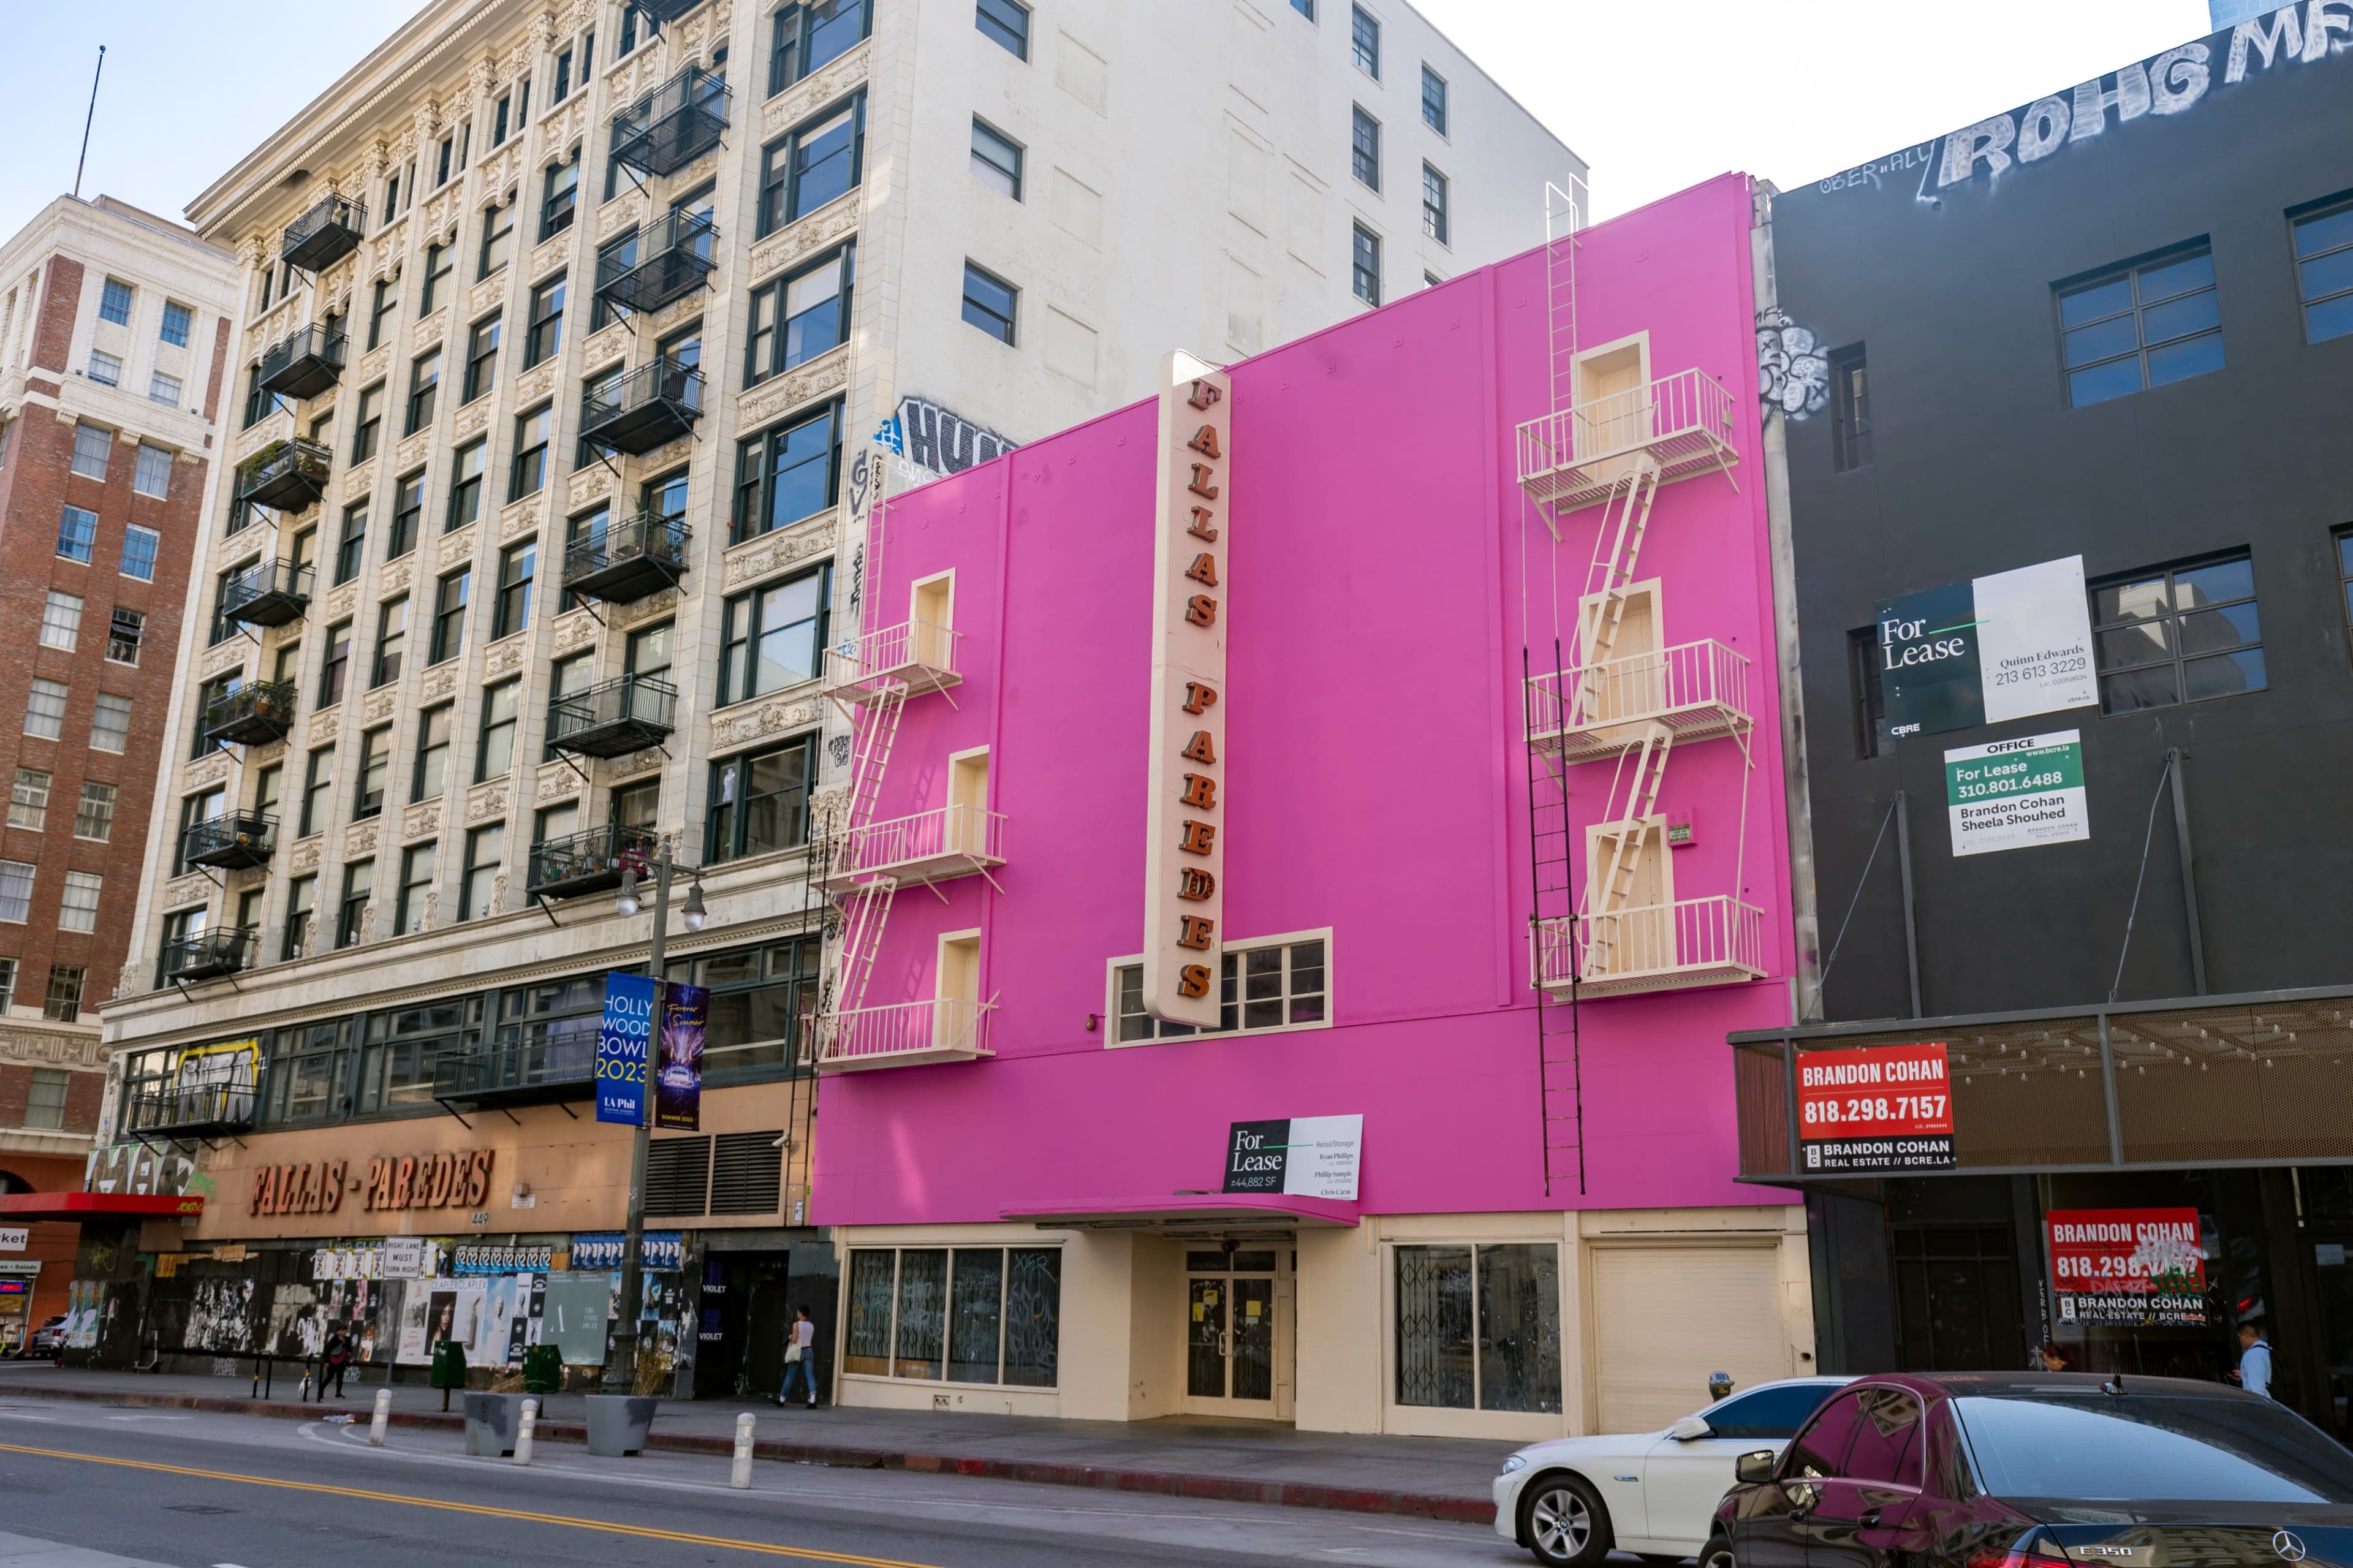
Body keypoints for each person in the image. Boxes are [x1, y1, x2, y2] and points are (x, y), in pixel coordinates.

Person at [776, 1305, 818, 1408]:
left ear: (800, 1313)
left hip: (798, 1352)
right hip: (809, 1351)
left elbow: (795, 1340)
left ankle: (782, 1400)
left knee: (790, 1376)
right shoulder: (811, 1326)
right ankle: (812, 1401)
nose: (797, 1313)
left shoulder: (796, 1325)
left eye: (798, 1312)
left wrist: (790, 1337)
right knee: (810, 1376)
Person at [2234, 1320, 2273, 1398]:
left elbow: (2257, 1390)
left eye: (2239, 1338)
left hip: (2263, 1405)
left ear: (2246, 1335)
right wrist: (2244, 1376)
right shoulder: (2268, 1349)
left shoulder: (2253, 1354)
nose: (2240, 1341)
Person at [320, 1325, 354, 1400]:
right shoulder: (334, 1340)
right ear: (338, 1332)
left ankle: (338, 1393)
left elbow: (350, 1348)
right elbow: (327, 1351)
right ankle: (321, 1390)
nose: (344, 1332)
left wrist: (349, 1352)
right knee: (330, 1377)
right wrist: (326, 1362)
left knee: (340, 1377)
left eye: (345, 1330)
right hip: (332, 1361)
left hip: (342, 1361)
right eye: (342, 1330)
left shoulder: (347, 1340)